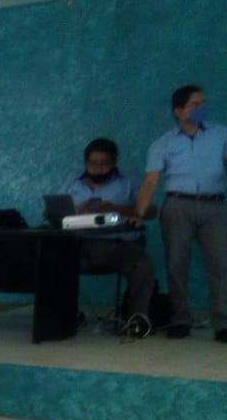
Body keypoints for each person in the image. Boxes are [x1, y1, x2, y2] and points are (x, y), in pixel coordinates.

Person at [132, 85, 227, 341]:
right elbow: (150, 181)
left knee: (221, 264)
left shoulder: (222, 135)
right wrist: (139, 214)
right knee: (176, 265)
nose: (201, 108)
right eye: (195, 105)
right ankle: (180, 319)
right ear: (178, 111)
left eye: (203, 103)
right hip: (178, 206)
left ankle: (223, 323)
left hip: (215, 206)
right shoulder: (163, 143)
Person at [57, 137, 158, 335]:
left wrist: (116, 208)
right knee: (52, 261)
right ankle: (65, 315)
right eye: (93, 163)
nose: (98, 169)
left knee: (143, 265)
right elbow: (50, 213)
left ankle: (137, 318)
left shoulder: (128, 183)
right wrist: (78, 209)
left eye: (104, 164)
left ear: (114, 163)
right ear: (85, 162)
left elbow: (151, 212)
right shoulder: (72, 183)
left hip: (117, 246)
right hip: (78, 246)